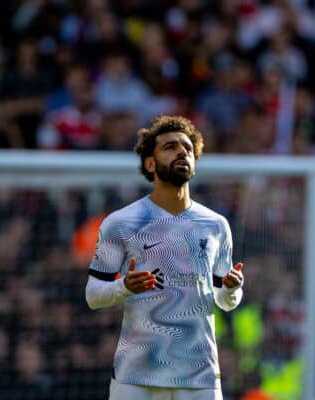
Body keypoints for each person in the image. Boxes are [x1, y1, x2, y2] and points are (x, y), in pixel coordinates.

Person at [85, 115, 244, 400]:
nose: (182, 152)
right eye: (170, 147)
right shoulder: (121, 223)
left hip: (199, 376)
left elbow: (224, 301)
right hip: (136, 375)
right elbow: (93, 295)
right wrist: (124, 287)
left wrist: (231, 288)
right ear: (150, 163)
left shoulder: (216, 224)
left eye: (187, 148)